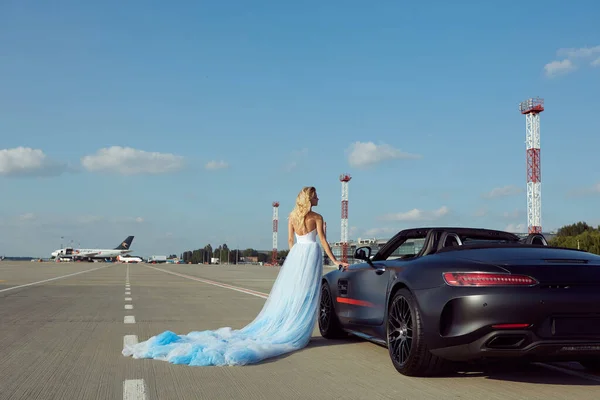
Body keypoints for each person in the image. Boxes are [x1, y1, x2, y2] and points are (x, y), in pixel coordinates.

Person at [122, 186, 349, 366]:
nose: (318, 198)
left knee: (291, 294)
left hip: (297, 255)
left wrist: (294, 258)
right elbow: (323, 241)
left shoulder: (291, 216)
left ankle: (289, 325)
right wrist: (336, 260)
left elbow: (290, 241)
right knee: (306, 294)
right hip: (310, 254)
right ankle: (298, 330)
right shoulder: (317, 217)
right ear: (310, 198)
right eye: (316, 195)